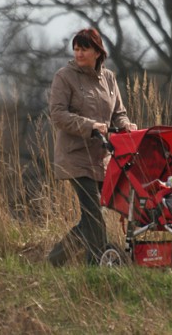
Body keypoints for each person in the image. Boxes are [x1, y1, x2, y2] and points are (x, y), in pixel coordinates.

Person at [47, 28, 137, 266]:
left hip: (103, 158)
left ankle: (54, 263)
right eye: (76, 48)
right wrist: (91, 126)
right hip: (75, 157)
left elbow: (118, 113)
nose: (78, 53)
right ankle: (97, 266)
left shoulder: (109, 78)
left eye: (84, 48)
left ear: (98, 52)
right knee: (94, 216)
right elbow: (57, 115)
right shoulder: (64, 77)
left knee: (90, 220)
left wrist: (126, 126)